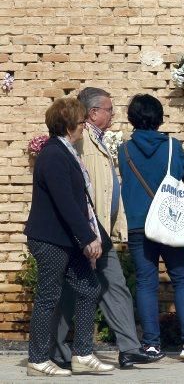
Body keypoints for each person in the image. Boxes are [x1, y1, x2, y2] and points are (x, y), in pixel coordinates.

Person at [50, 88, 164, 369]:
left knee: (115, 285)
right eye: (110, 110)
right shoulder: (78, 140)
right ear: (93, 113)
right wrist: (83, 230)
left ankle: (129, 348)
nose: (114, 115)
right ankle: (56, 350)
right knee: (67, 291)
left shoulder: (98, 140)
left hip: (102, 229)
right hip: (84, 230)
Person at [118, 94, 184, 362]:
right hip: (171, 220)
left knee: (145, 283)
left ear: (132, 118)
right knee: (183, 280)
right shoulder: (173, 146)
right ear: (159, 117)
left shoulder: (123, 150)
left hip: (139, 225)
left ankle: (151, 345)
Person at [24, 97, 114, 376]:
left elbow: (78, 199)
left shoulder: (66, 152)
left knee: (88, 288)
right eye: (79, 123)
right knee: (49, 296)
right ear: (67, 126)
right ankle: (37, 360)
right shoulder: (53, 155)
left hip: (67, 238)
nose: (82, 128)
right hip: (50, 238)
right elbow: (66, 202)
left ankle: (83, 355)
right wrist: (88, 238)